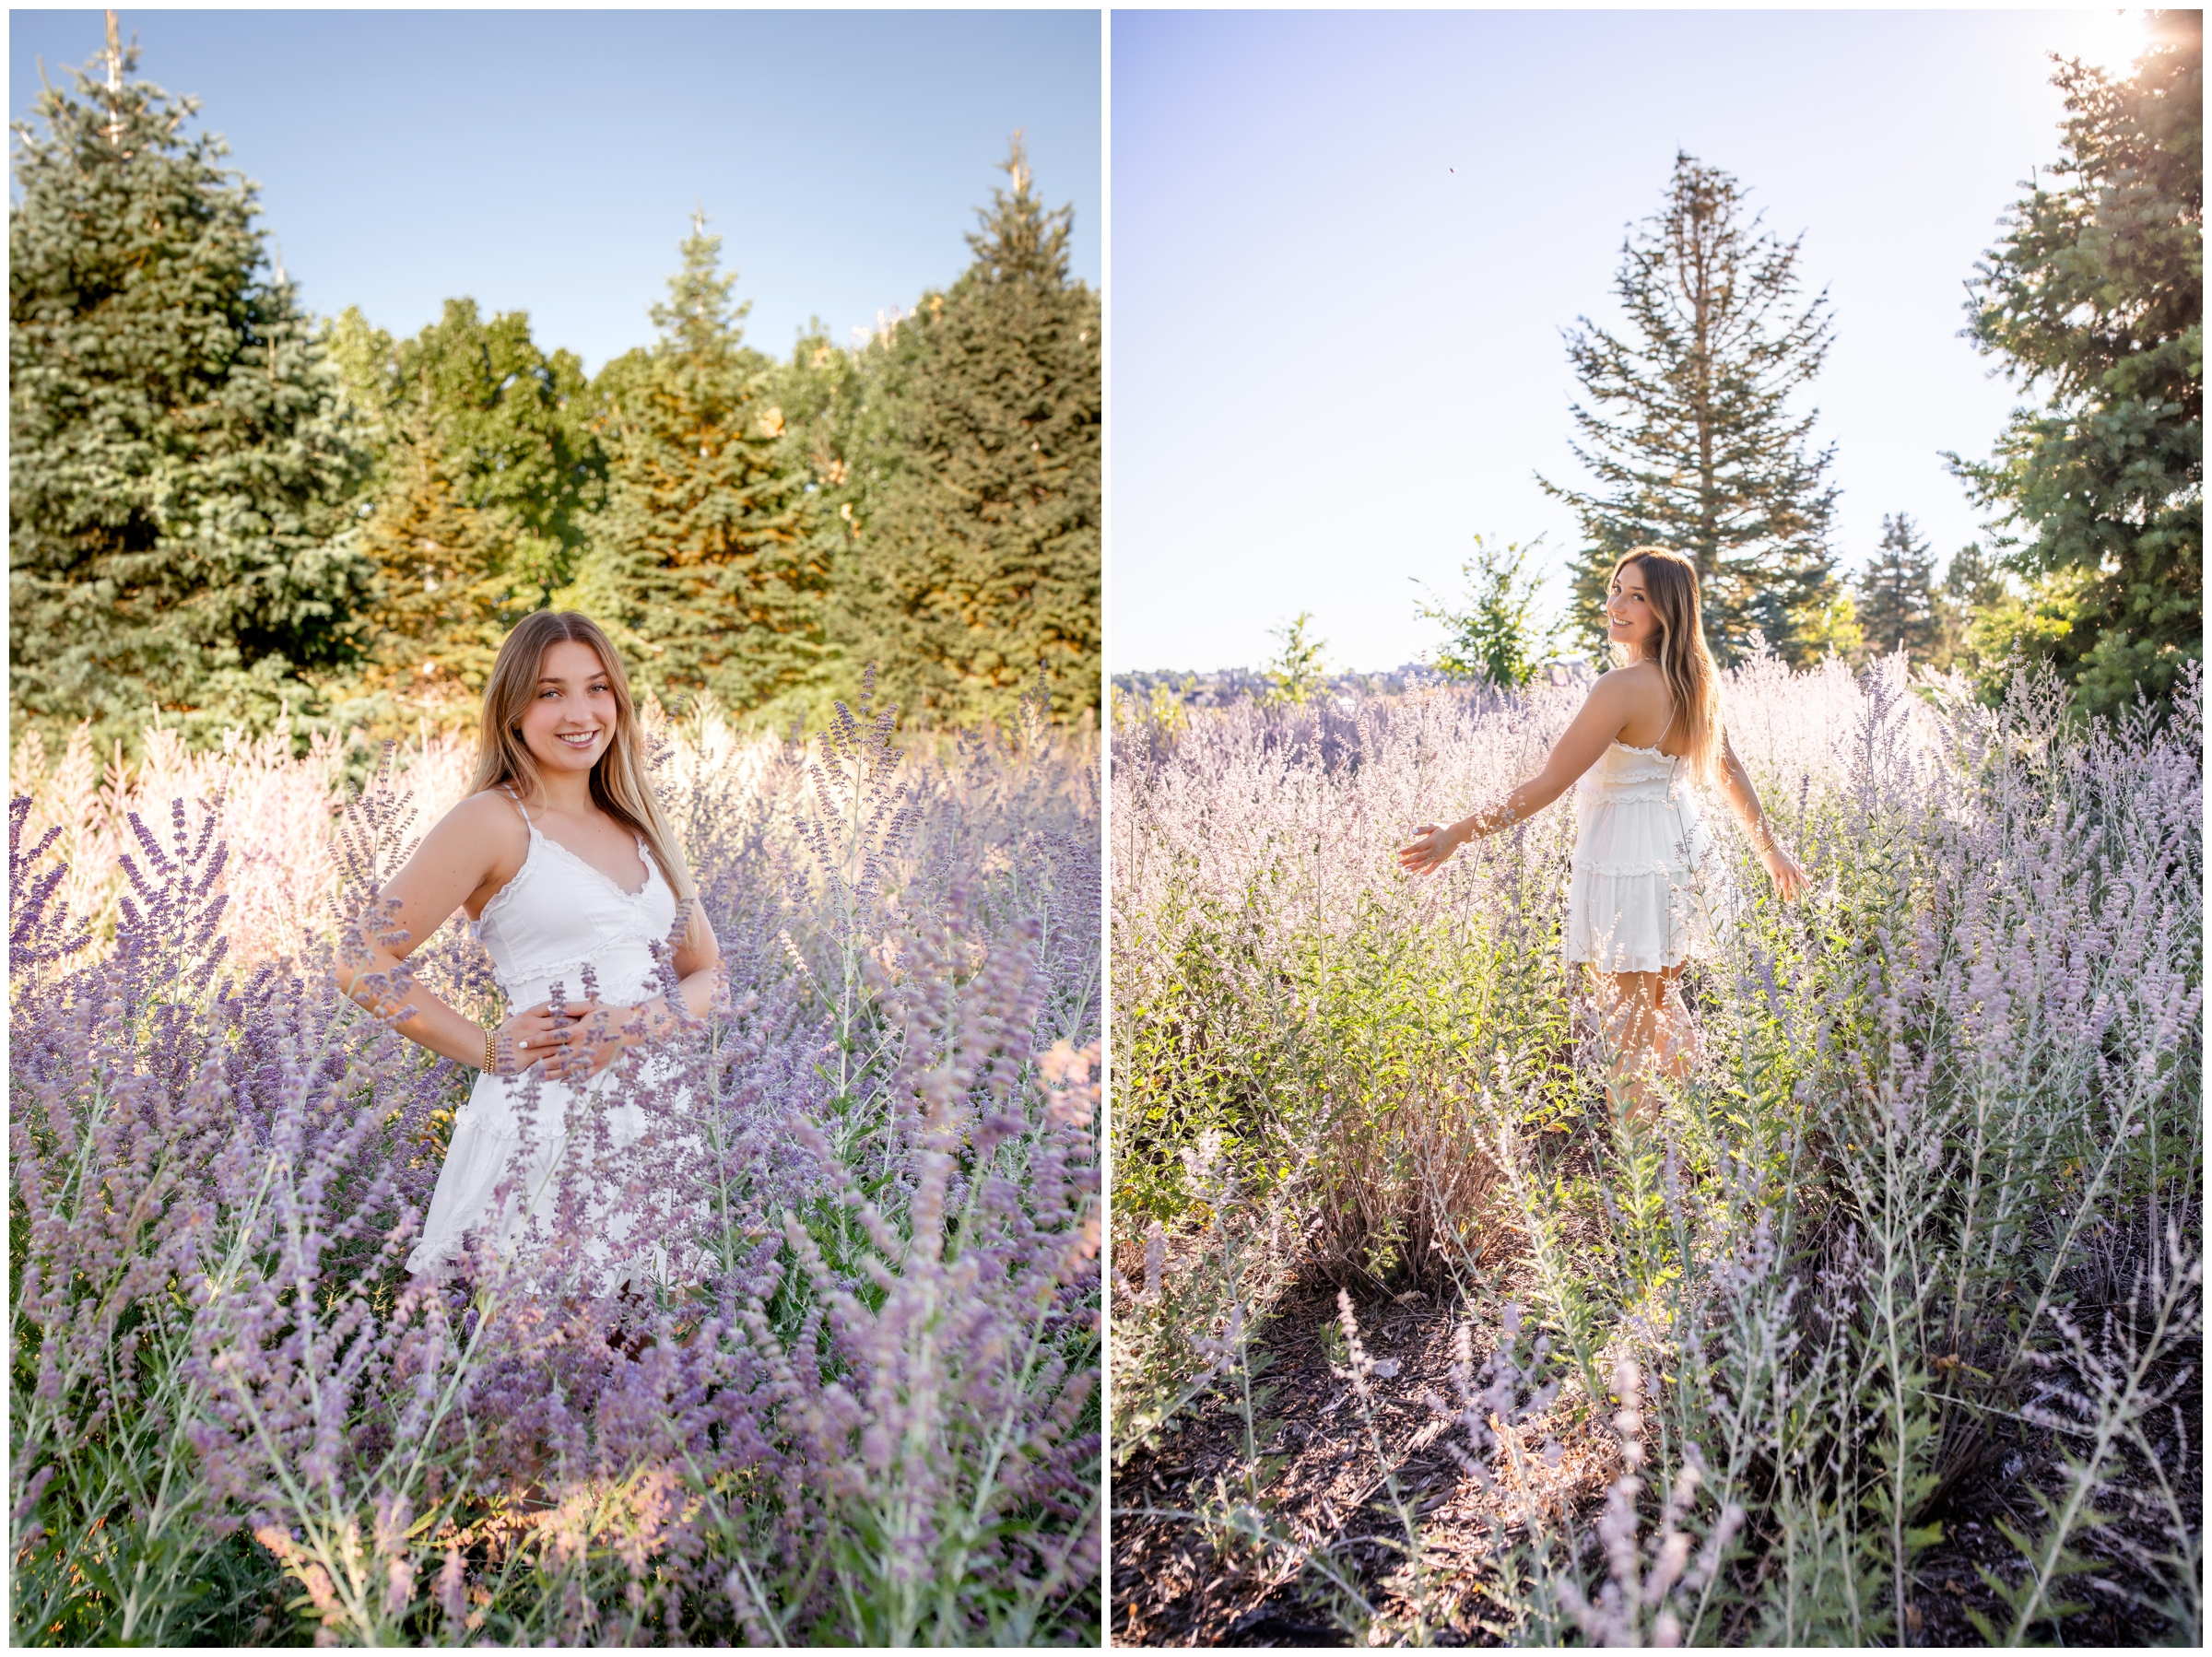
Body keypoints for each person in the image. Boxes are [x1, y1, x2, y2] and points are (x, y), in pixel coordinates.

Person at [338, 610, 723, 1284]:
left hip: (652, 1131)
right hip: (543, 1126)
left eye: (598, 688)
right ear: (513, 709)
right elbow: (360, 961)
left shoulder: (641, 824)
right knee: (540, 1365)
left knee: (652, 1368)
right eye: (550, 692)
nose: (580, 711)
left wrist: (628, 1028)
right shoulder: (492, 820)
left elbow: (709, 976)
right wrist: (487, 1048)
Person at [1397, 546, 1806, 1115]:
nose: (1617, 604)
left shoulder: (1621, 687)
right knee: (1660, 1009)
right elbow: (1727, 768)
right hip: (1679, 855)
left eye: (1637, 596)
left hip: (1627, 866)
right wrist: (1771, 851)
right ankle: (1682, 1153)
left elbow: (1548, 783)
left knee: (1628, 1032)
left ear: (1667, 610)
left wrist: (1455, 835)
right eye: (1616, 589)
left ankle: (1650, 1171)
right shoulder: (1693, 682)